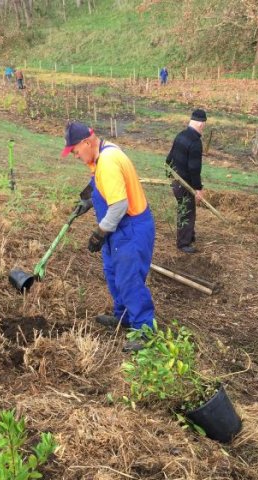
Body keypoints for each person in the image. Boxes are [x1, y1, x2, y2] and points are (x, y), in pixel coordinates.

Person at [61, 122, 155, 351]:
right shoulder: (102, 153)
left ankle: (144, 331)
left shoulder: (108, 163)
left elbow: (119, 205)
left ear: (86, 142)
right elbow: (103, 187)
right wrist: (89, 200)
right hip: (118, 229)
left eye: (75, 151)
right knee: (113, 273)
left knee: (129, 278)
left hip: (130, 228)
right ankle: (123, 317)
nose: (75, 156)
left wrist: (99, 232)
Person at [165, 109, 207, 254]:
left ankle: (189, 235)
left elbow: (169, 158)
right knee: (187, 211)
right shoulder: (195, 142)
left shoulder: (180, 135)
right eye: (204, 126)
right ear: (201, 125)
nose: (204, 129)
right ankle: (183, 243)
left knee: (188, 209)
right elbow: (194, 169)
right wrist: (198, 188)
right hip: (184, 184)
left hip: (176, 180)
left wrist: (169, 174)